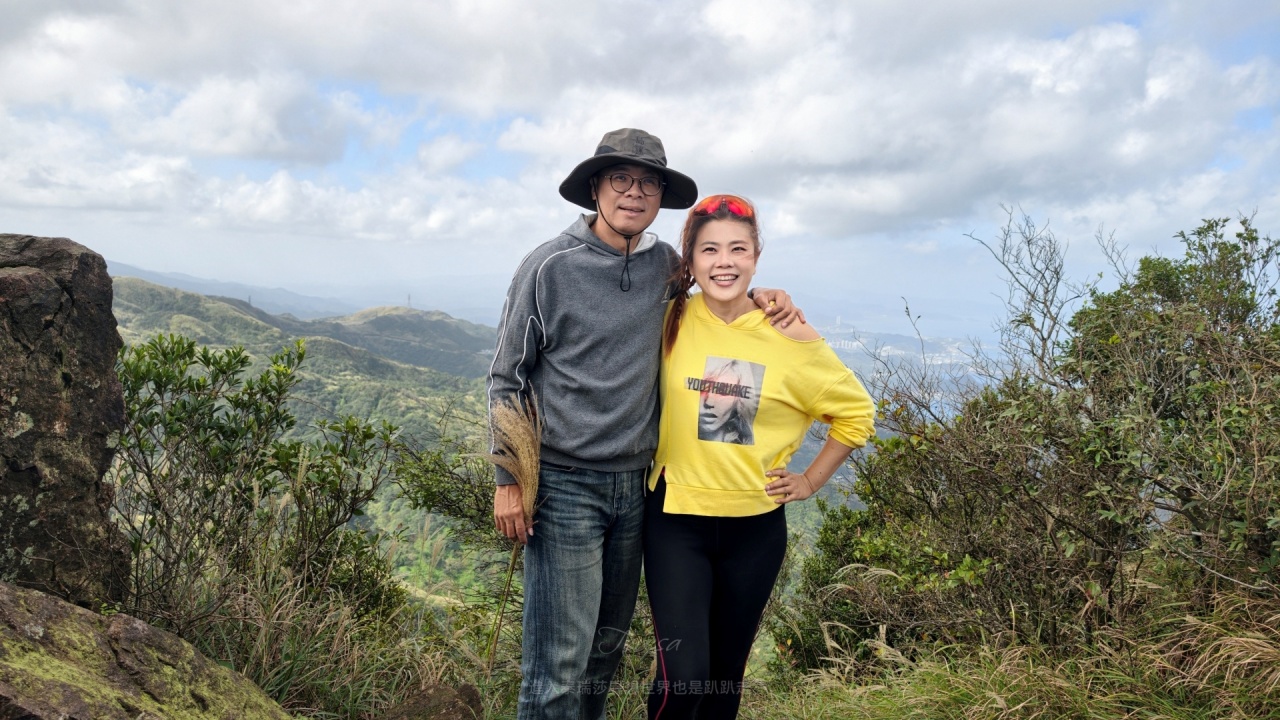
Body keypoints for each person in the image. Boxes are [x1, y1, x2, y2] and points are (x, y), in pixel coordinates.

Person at [488, 131, 803, 720]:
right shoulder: (549, 266)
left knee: (603, 654)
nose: (634, 192)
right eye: (621, 180)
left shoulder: (665, 267)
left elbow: (720, 286)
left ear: (661, 196)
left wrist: (769, 297)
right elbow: (506, 376)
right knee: (559, 662)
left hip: (637, 488)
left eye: (648, 182)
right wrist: (509, 479)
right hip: (563, 485)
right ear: (595, 188)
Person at [644, 194, 876, 719]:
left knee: (725, 680)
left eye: (737, 249)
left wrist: (812, 481)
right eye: (709, 250)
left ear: (755, 256)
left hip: (755, 528)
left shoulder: (789, 333)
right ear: (691, 259)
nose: (723, 261)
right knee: (683, 681)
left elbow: (856, 413)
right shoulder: (669, 316)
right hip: (675, 520)